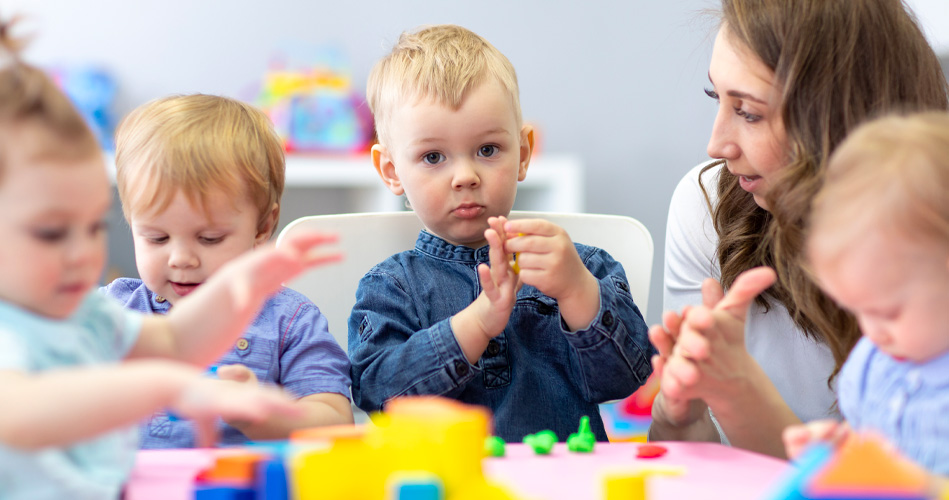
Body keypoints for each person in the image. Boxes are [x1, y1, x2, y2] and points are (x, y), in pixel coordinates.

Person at [0, 35, 341, 499]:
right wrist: (165, 385)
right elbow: (19, 411)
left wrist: (237, 287)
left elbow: (177, 340)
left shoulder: (92, 316)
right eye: (52, 234)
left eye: (93, 229)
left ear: (263, 226)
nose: (82, 253)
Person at [648, 0, 949, 457]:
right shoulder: (705, 205)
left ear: (835, 116)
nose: (716, 144)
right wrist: (682, 412)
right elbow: (714, 463)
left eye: (749, 112)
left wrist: (739, 392)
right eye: (718, 99)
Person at [348, 24, 654, 442]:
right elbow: (378, 395)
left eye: (487, 150)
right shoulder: (391, 288)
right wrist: (476, 323)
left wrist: (576, 290)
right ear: (391, 171)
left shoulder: (583, 266)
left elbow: (628, 379)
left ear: (523, 154)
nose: (465, 176)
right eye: (433, 156)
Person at [101, 94, 354, 447]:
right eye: (157, 238)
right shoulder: (111, 310)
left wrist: (261, 415)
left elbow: (335, 418)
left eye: (209, 238)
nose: (181, 259)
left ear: (263, 227)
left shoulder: (289, 320)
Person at [782, 112, 949, 481]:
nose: (873, 331)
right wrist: (838, 453)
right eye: (859, 311)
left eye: (888, 312)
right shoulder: (871, 366)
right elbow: (870, 447)